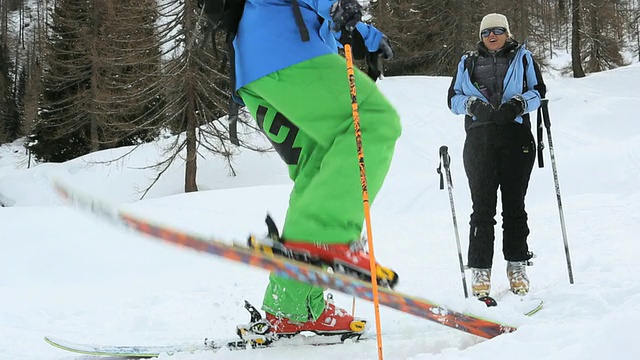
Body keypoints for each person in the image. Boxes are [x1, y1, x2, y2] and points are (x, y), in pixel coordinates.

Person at [233, 0, 401, 337]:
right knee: (374, 122)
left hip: (257, 63)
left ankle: (292, 308)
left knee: (318, 167)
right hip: (287, 53)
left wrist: (363, 33)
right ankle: (329, 237)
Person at [446, 13, 546, 298]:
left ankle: (516, 266)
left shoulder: (523, 58)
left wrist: (516, 104)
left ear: (507, 33)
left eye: (498, 31)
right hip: (480, 139)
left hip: (515, 138)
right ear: (481, 36)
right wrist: (473, 105)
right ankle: (480, 269)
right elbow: (453, 99)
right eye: (487, 32)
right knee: (482, 208)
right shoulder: (468, 61)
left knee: (514, 206)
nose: (492, 36)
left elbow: (538, 92)